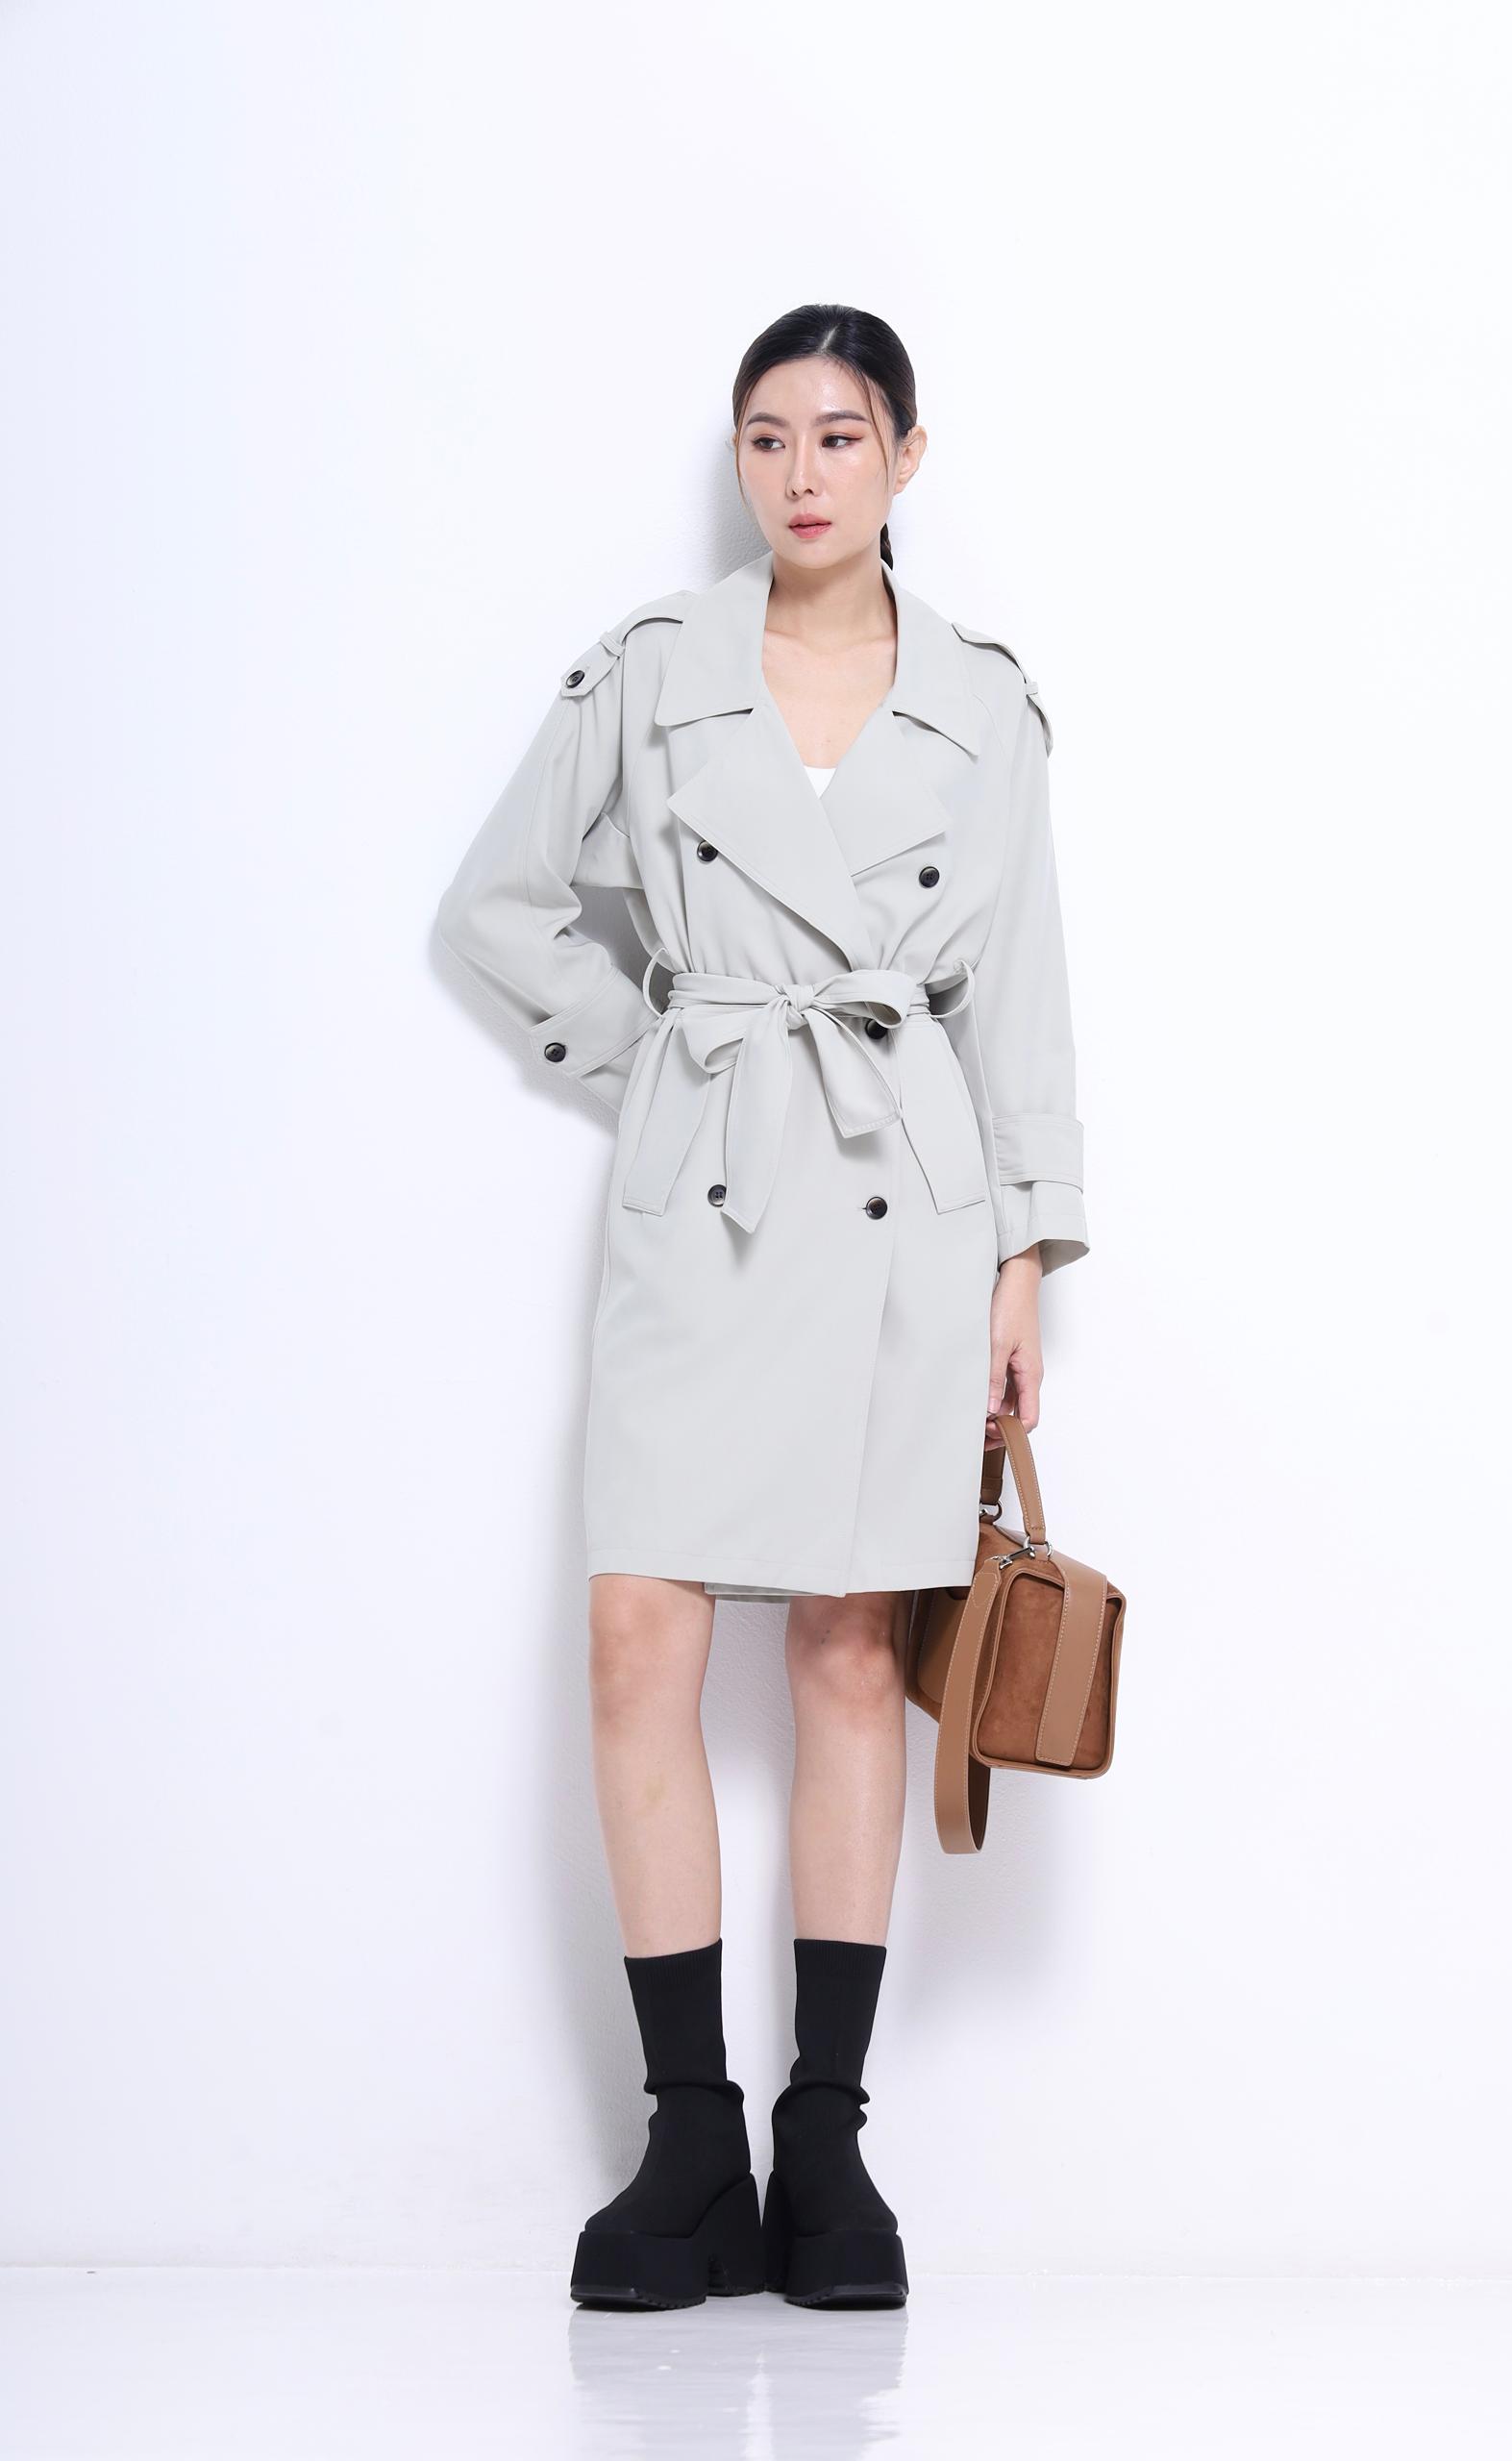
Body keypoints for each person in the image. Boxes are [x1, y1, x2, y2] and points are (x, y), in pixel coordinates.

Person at [435, 304, 1089, 2310]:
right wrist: (662, 1055)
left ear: (906, 456)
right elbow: (497, 909)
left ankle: (825, 2144)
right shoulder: (655, 669)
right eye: (767, 436)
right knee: (637, 1631)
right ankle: (686, 2141)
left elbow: (1019, 996)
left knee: (844, 1644)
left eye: (839, 434)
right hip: (702, 1192)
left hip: (904, 1210)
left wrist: (1024, 1253)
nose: (800, 473)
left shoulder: (980, 702)